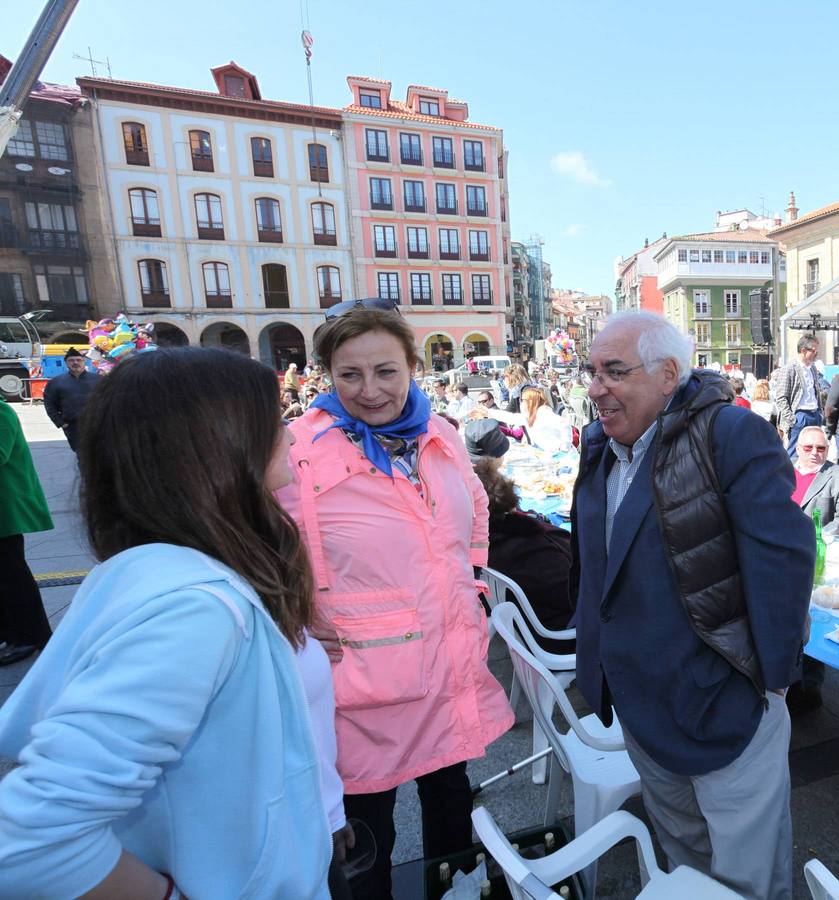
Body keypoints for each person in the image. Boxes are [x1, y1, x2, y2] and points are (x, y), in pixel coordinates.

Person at [0, 348, 332, 899]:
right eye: (274, 420)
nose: (291, 436)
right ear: (216, 444)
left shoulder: (153, 570)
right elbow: (31, 840)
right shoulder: (193, 607)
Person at [571, 310, 812, 899]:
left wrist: (769, 682)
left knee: (748, 874)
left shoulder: (730, 433)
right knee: (682, 853)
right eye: (591, 371)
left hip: (725, 703)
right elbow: (598, 562)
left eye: (613, 371)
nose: (595, 386)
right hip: (640, 703)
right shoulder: (601, 440)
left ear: (667, 374)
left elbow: (783, 562)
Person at [278, 305, 512, 900]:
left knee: (451, 799)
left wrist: (472, 582)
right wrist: (291, 613)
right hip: (362, 677)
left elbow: (476, 511)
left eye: (386, 371)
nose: (370, 391)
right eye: (349, 375)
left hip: (447, 660)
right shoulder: (299, 451)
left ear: (413, 366)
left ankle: (455, 893)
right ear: (326, 373)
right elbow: (259, 543)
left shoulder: (442, 435)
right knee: (366, 829)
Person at [469, 424, 574, 654]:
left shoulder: (483, 541)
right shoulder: (532, 547)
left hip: (524, 629)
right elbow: (572, 591)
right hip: (557, 637)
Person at [0, 400, 54, 667]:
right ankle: (10, 633)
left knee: (13, 577)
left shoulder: (1, 412)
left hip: (5, 507)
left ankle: (31, 637)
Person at [792, 425, 839, 527]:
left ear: (827, 450)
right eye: (808, 448)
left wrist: (820, 538)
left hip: (814, 539)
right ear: (797, 449)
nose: (814, 452)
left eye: (820, 448)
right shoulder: (779, 468)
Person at [773, 334, 827, 457]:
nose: (816, 355)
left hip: (814, 414)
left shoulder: (812, 368)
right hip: (799, 415)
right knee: (795, 453)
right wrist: (792, 420)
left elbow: (815, 392)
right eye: (814, 351)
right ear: (803, 350)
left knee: (815, 452)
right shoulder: (789, 369)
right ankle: (792, 475)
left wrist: (819, 412)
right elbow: (781, 397)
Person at [42, 347, 99, 453]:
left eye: (78, 360)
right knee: (82, 456)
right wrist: (60, 422)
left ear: (84, 361)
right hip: (73, 427)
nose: (75, 363)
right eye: (71, 360)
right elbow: (49, 404)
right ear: (66, 363)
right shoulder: (56, 382)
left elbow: (109, 401)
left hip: (98, 425)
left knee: (101, 454)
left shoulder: (98, 380)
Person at [520, 385, 574, 452]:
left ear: (531, 401)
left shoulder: (543, 413)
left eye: (523, 400)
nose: (521, 403)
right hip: (547, 453)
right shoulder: (531, 414)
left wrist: (564, 447)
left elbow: (565, 424)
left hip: (559, 455)